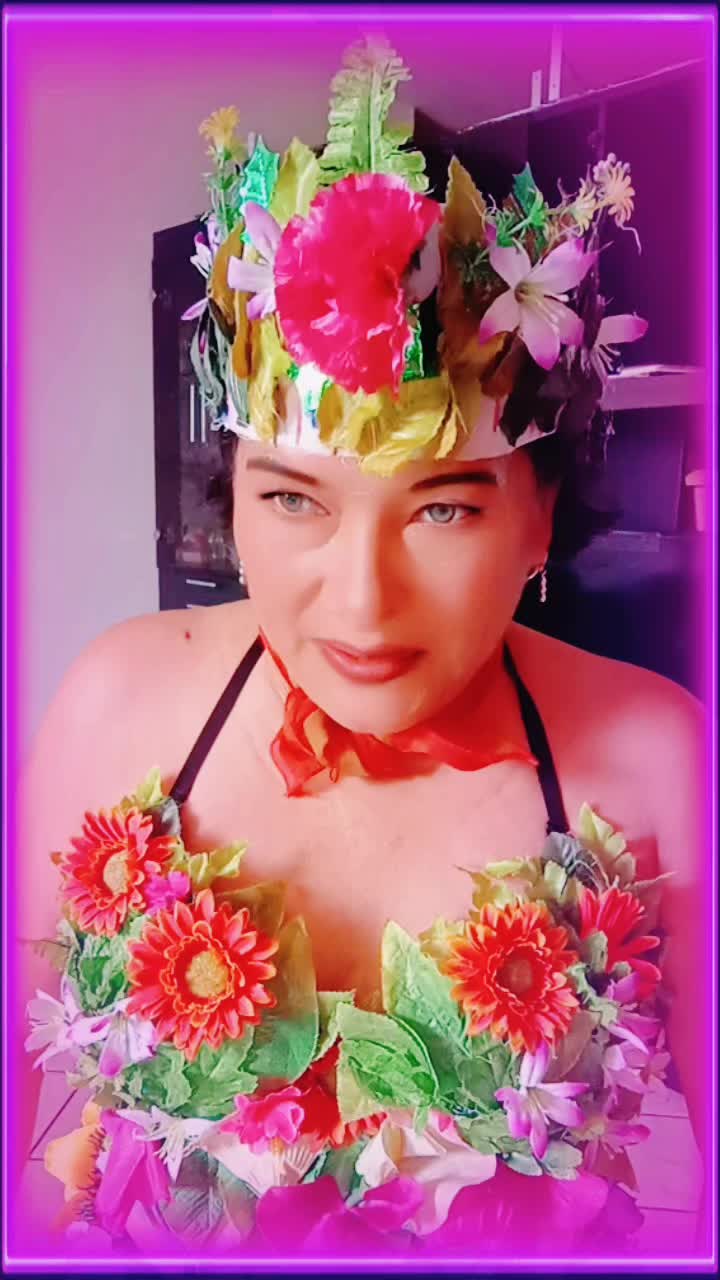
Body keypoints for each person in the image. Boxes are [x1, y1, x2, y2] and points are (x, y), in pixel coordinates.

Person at [16, 36, 706, 1254]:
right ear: (232, 493)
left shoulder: (657, 760)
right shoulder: (113, 710)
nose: (360, 602)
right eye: (295, 498)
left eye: (443, 509)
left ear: (541, 512)